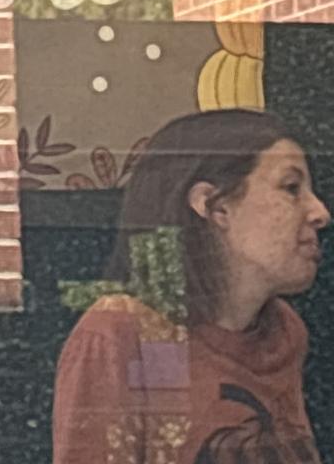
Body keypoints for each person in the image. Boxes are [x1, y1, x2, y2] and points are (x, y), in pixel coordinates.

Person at [52, 109, 330, 464]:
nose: (320, 213)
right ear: (215, 207)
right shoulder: (124, 332)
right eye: (291, 188)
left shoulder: (283, 331)